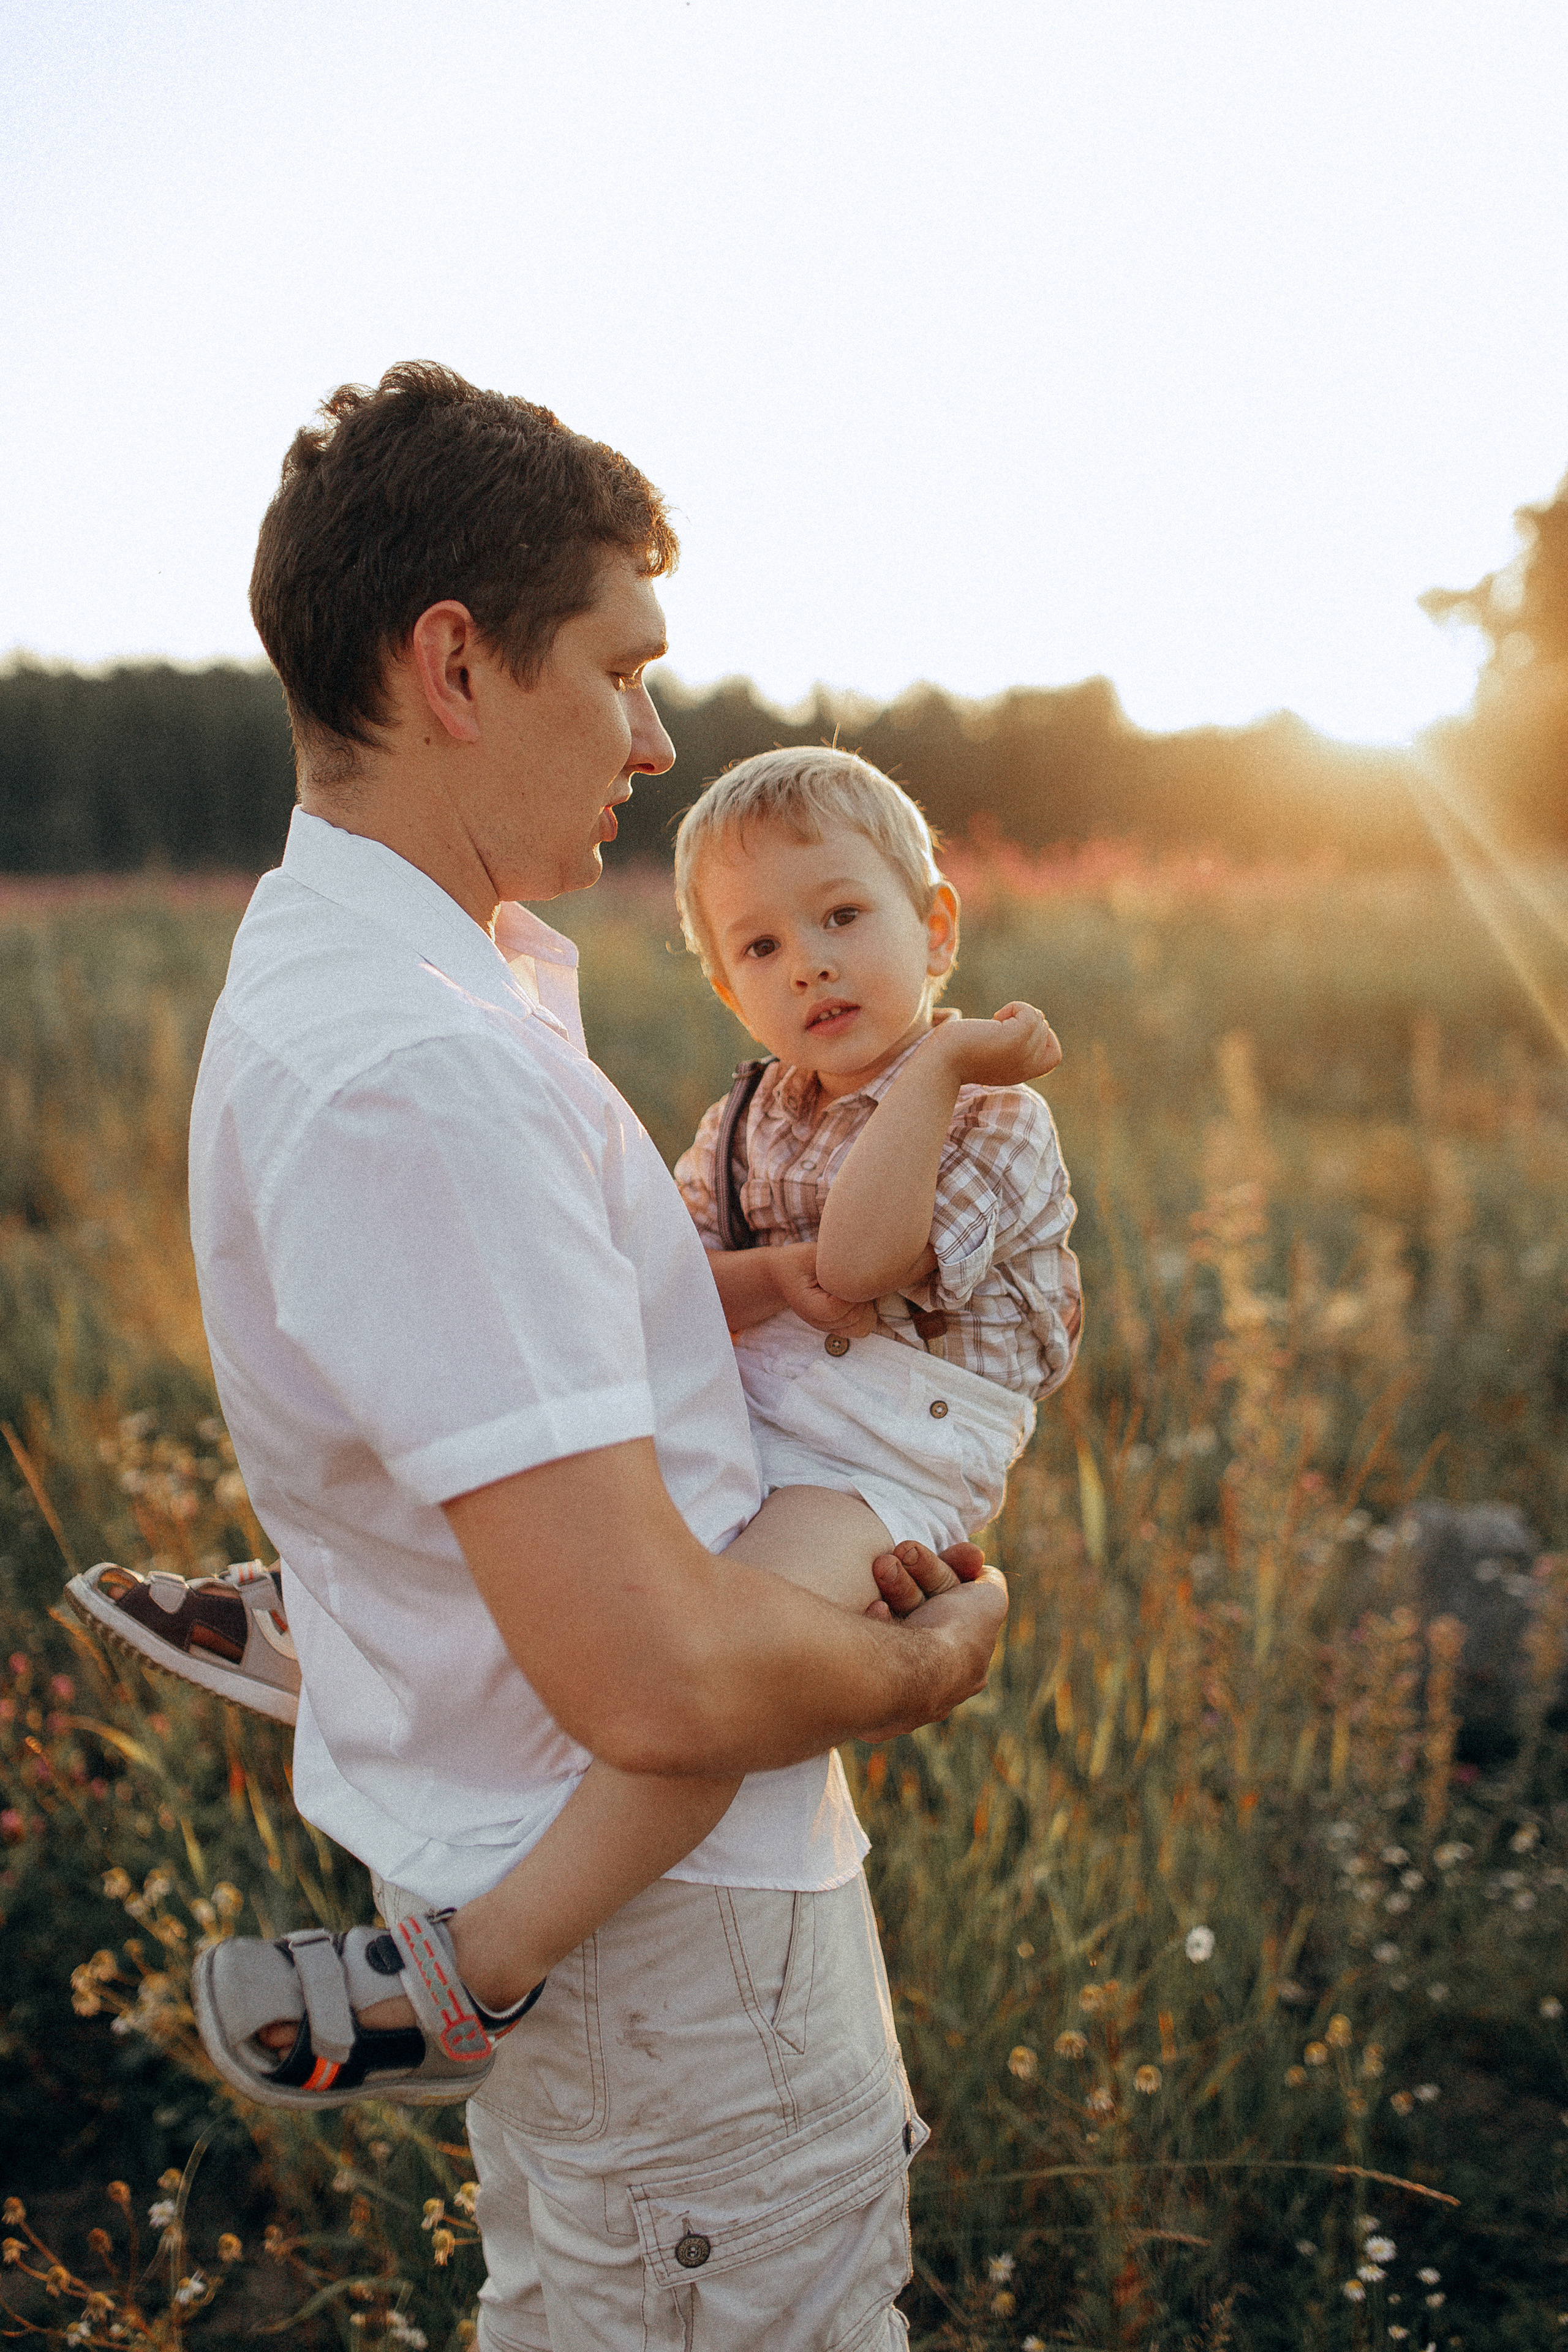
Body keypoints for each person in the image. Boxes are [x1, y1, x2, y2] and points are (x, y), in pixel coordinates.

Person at [81, 361, 1012, 2352]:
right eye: (621, 670)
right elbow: (659, 1676)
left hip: (615, 1892)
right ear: (454, 664)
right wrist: (933, 1663)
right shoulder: (426, 1072)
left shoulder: (378, 970)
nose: (659, 737)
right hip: (678, 1957)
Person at [78, 749, 1082, 2106]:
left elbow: (856, 1263)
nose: (812, 968)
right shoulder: (746, 1118)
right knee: (570, 1506)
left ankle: (475, 1974)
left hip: (875, 1465)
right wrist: (758, 1279)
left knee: (712, 1690)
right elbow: (649, 1295)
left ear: (937, 928)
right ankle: (345, 1630)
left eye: (846, 919)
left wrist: (943, 1059)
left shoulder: (987, 1110)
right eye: (763, 944)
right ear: (726, 986)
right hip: (754, 1411)